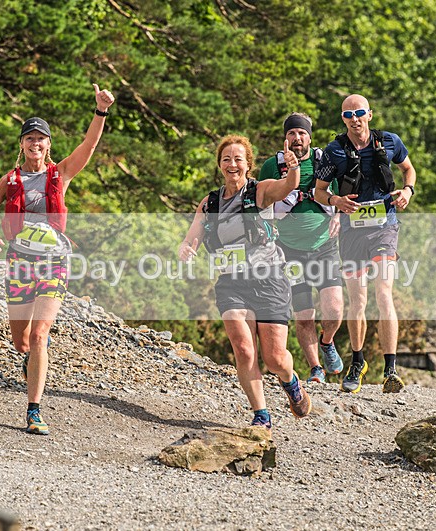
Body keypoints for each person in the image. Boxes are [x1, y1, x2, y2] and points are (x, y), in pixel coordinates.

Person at [0, 83, 115, 434]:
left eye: (41, 139)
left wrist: (101, 111)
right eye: (30, 139)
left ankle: (34, 411)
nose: (35, 144)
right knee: (21, 341)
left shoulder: (60, 174)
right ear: (22, 145)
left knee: (39, 335)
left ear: (48, 145)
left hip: (54, 261)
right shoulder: (10, 179)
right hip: (19, 262)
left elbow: (89, 146)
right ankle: (32, 358)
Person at [178, 134, 311, 430]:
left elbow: (287, 186)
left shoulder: (259, 191)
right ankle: (261, 413)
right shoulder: (210, 201)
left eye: (238, 159)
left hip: (269, 279)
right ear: (219, 165)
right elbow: (193, 236)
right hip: (231, 283)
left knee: (275, 358)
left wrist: (293, 170)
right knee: (244, 349)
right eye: (226, 159)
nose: (232, 164)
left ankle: (291, 383)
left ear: (248, 164)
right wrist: (187, 249)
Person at [313, 94, 416, 394]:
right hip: (352, 231)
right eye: (348, 114)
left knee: (384, 293)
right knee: (357, 301)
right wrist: (335, 200)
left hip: (385, 227)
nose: (354, 118)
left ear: (369, 114)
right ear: (342, 119)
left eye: (359, 112)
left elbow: (408, 169)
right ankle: (358, 362)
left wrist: (408, 191)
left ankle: (391, 368)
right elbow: (319, 192)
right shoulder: (334, 152)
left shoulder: (390, 142)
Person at [258, 113, 344, 386]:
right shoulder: (272, 166)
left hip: (324, 247)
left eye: (302, 133)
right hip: (289, 250)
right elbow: (260, 201)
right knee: (304, 316)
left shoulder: (325, 163)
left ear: (310, 137)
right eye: (292, 133)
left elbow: (341, 196)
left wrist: (340, 216)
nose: (297, 138)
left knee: (334, 311)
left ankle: (327, 341)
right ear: (286, 137)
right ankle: (316, 368)